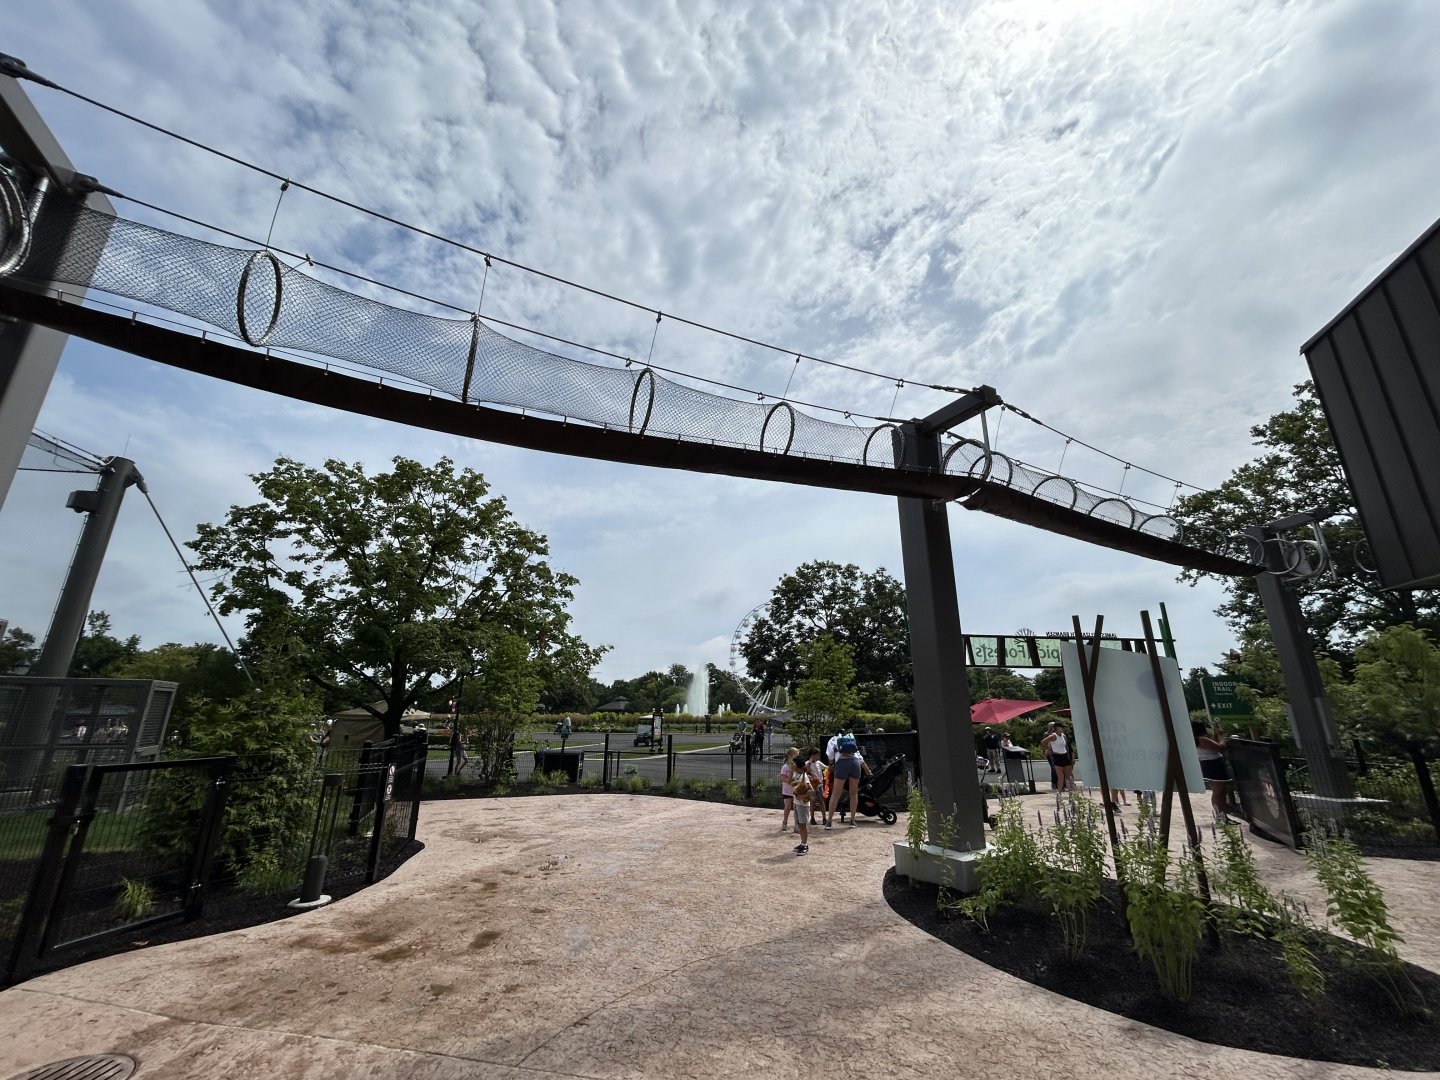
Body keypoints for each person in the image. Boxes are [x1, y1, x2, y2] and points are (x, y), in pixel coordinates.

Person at [826, 732, 871, 828]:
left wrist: (831, 765)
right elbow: (860, 758)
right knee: (853, 793)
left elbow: (830, 757)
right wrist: (868, 771)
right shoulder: (851, 737)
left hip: (842, 763)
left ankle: (829, 821)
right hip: (855, 764)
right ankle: (852, 820)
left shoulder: (833, 739)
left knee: (836, 794)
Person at [1193, 719, 1233, 822]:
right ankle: (1220, 816)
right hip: (1212, 765)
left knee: (1222, 791)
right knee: (1218, 792)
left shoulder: (1200, 740)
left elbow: (1212, 745)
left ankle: (1223, 816)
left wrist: (1215, 735)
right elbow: (1221, 747)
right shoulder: (1201, 739)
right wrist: (1220, 736)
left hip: (1211, 765)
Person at [789, 755, 816, 855]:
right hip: (797, 803)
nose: (792, 766)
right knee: (800, 824)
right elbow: (789, 782)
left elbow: (811, 790)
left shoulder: (804, 777)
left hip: (803, 805)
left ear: (797, 765)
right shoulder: (796, 775)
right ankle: (802, 843)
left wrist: (801, 796)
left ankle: (805, 845)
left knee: (803, 825)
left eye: (794, 764)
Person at [1041, 722, 1074, 794]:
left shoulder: (1063, 736)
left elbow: (1066, 746)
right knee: (1060, 777)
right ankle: (1059, 792)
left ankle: (1070, 792)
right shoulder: (1053, 736)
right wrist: (1049, 749)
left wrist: (1069, 754)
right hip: (1057, 756)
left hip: (1064, 755)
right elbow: (1043, 742)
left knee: (1068, 776)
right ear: (1057, 728)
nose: (1063, 729)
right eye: (1061, 727)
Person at [779, 747, 799, 832]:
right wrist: (791, 777)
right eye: (796, 755)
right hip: (787, 790)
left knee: (797, 808)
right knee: (787, 807)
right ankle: (785, 822)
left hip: (796, 790)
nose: (798, 756)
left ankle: (796, 825)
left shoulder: (798, 766)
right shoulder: (785, 767)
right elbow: (784, 780)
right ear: (791, 756)